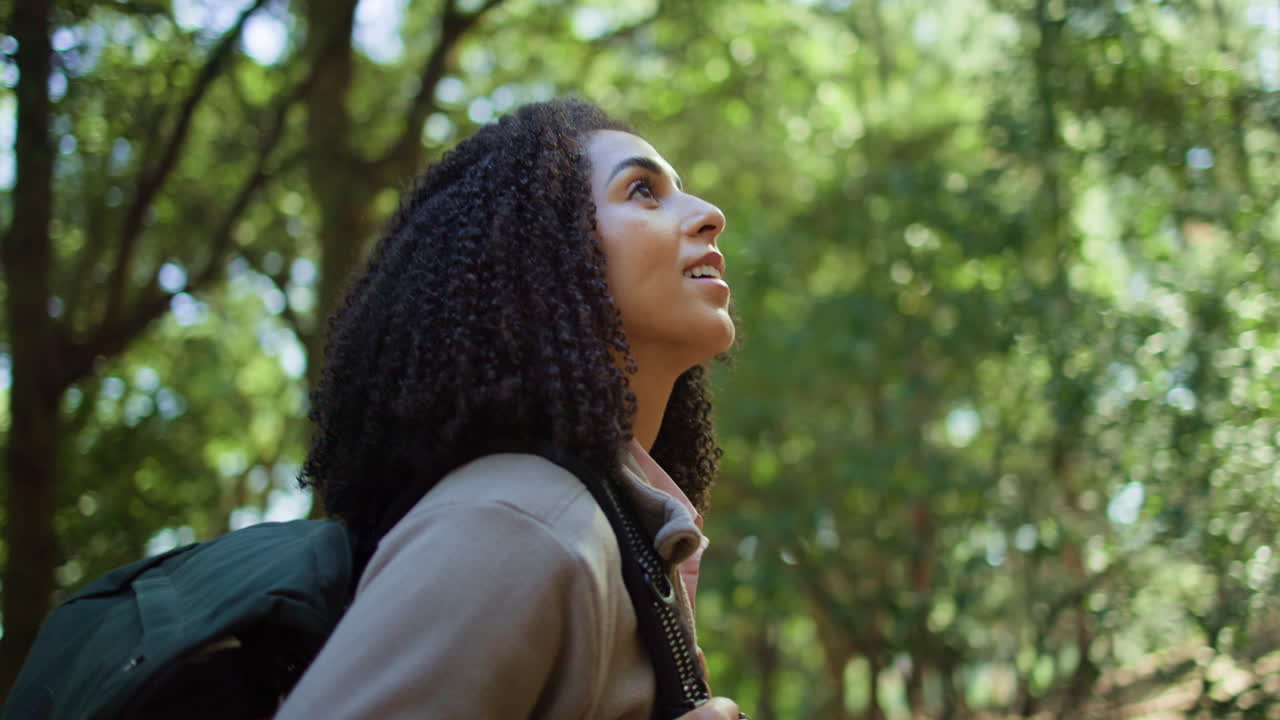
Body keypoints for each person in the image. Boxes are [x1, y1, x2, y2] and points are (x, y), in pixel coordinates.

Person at [275, 99, 741, 720]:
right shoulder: (521, 517)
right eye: (642, 191)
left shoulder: (591, 524)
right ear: (545, 251)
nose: (711, 216)